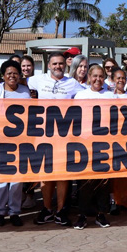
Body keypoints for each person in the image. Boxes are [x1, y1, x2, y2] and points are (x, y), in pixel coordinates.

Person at [29, 51, 80, 226]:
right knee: (45, 173)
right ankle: (46, 208)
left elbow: (89, 98)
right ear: (48, 66)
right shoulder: (37, 80)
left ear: (65, 65)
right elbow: (18, 84)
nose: (58, 66)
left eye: (61, 64)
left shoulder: (72, 83)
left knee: (63, 174)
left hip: (65, 136)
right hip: (42, 134)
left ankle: (61, 210)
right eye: (54, 64)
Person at [0, 59, 30, 227]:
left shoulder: (26, 92)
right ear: (3, 76)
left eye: (15, 73)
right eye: (9, 74)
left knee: (17, 178)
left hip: (20, 140)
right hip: (0, 140)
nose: (12, 76)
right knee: (1, 177)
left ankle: (14, 211)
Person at [72, 65, 114, 229]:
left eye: (101, 76)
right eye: (95, 76)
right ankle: (82, 215)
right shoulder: (80, 95)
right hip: (85, 143)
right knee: (84, 181)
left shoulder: (110, 96)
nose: (98, 79)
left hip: (105, 143)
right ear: (89, 77)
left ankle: (101, 214)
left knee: (103, 181)